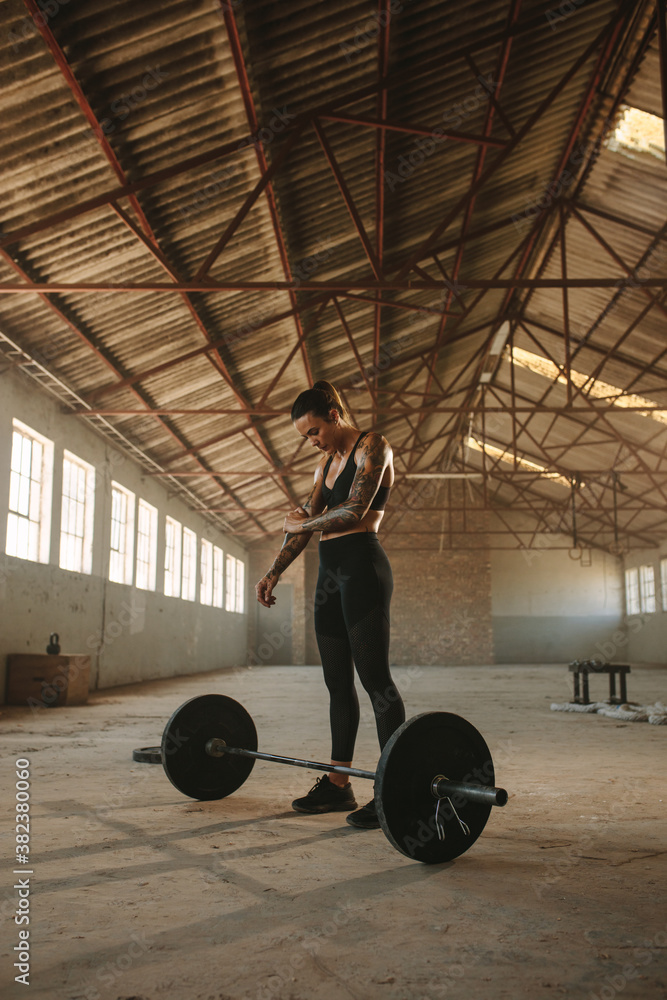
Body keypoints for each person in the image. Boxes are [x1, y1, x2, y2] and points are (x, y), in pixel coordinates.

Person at [255, 380, 406, 829]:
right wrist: (274, 571)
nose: (312, 442)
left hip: (363, 567)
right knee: (337, 684)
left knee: (375, 680)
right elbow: (303, 523)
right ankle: (339, 785)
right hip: (329, 576)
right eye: (307, 437)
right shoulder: (325, 464)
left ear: (334, 416)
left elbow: (353, 511)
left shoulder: (372, 446)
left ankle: (393, 787)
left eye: (314, 432)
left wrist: (303, 520)